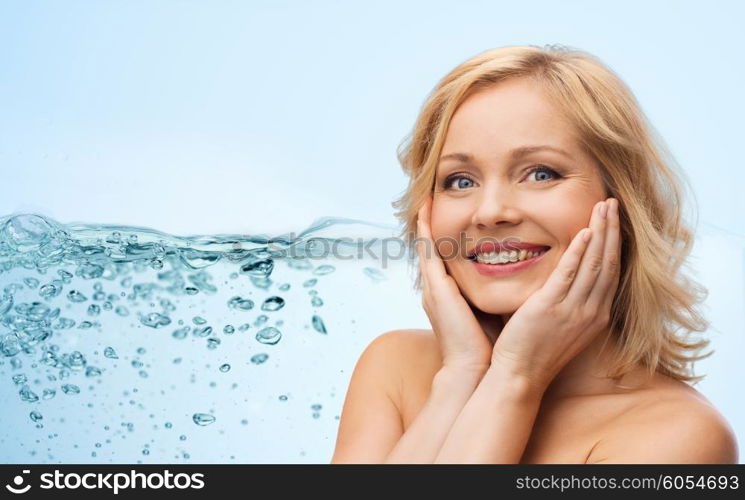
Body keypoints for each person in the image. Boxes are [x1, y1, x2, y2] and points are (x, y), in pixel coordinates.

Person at [330, 44, 738, 464]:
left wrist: (515, 377)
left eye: (541, 173)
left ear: (622, 201)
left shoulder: (678, 437)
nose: (490, 212)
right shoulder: (394, 367)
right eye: (459, 181)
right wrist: (461, 376)